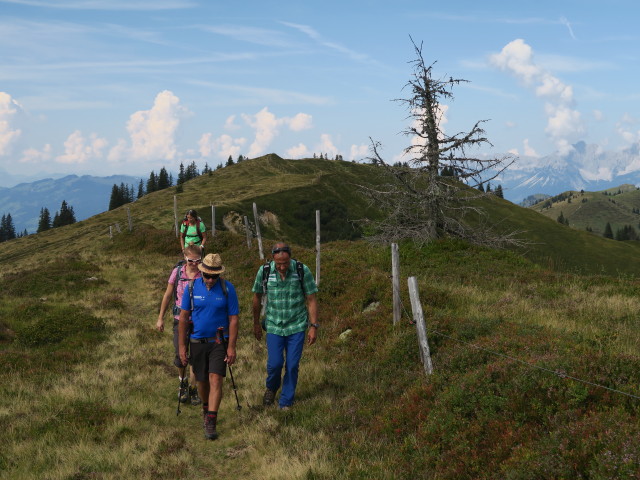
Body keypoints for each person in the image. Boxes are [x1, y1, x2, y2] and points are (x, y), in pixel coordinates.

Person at [179, 253, 239, 440]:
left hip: (219, 342)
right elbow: (183, 318)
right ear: (201, 272)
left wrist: (231, 347)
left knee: (216, 380)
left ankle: (211, 420)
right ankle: (206, 408)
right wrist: (182, 346)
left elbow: (234, 319)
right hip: (197, 342)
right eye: (208, 275)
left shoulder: (228, 289)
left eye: (215, 276)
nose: (211, 279)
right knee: (202, 381)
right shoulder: (191, 288)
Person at [252, 242, 319, 410]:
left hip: (296, 326)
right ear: (273, 259)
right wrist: (255, 324)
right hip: (274, 325)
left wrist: (313, 326)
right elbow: (256, 298)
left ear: (290, 258)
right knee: (274, 364)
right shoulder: (265, 271)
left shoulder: (302, 270)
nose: (282, 267)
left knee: (292, 364)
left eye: (285, 263)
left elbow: (311, 299)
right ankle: (272, 387)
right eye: (279, 263)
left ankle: (286, 401)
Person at [156, 245, 203, 406]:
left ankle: (193, 388)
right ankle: (182, 383)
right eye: (191, 261)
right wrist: (160, 318)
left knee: (196, 357)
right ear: (185, 257)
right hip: (179, 320)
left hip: (198, 321)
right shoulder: (177, 272)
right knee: (180, 354)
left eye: (198, 261)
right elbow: (168, 295)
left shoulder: (204, 274)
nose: (194, 264)